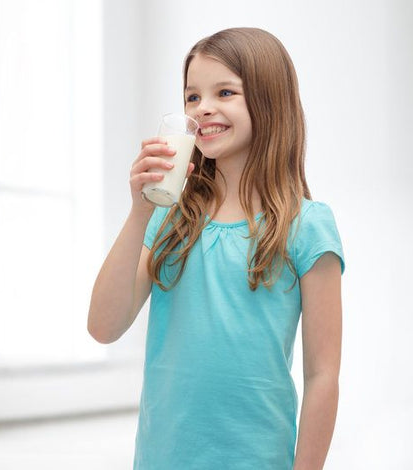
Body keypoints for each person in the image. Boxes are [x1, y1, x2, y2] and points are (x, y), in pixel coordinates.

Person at [88, 27, 345, 470]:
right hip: (162, 458)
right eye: (191, 97)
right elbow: (104, 327)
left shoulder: (307, 226)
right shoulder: (167, 219)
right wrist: (139, 212)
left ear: (269, 100)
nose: (202, 107)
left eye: (224, 92)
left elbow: (323, 376)